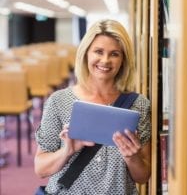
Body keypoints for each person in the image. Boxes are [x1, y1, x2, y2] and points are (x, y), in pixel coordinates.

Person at [34, 19, 151, 194]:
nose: (105, 60)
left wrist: (132, 157)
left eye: (114, 54)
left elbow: (143, 176)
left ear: (123, 60)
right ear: (86, 53)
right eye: (98, 51)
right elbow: (40, 169)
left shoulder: (138, 105)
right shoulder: (58, 101)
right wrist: (67, 151)